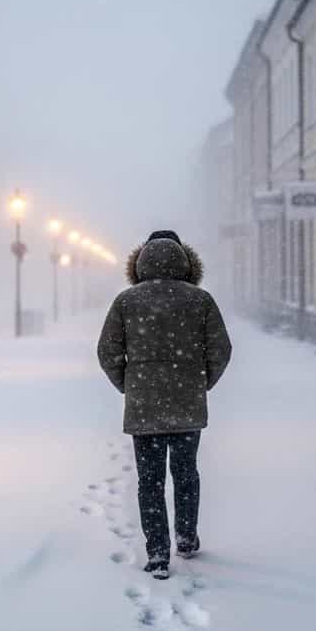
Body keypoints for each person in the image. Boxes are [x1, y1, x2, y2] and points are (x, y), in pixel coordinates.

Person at [96, 230, 232, 579]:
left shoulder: (127, 301)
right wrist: (200, 383)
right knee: (186, 474)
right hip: (187, 405)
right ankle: (186, 537)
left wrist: (130, 385)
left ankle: (157, 553)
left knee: (150, 480)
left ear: (139, 262)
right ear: (185, 262)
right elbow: (221, 349)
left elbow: (107, 351)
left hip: (145, 409)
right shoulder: (200, 300)